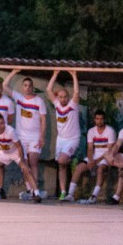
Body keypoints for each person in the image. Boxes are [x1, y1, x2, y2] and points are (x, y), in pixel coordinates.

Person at [0, 113, 41, 202]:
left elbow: (19, 146)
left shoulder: (11, 131)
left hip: (16, 152)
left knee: (26, 170)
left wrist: (22, 161)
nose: (0, 126)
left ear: (4, 123)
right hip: (4, 152)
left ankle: (36, 193)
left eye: (1, 123)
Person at [4, 71, 47, 198]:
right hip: (21, 137)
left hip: (34, 137)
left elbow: (43, 119)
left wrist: (42, 136)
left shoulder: (39, 101)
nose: (28, 88)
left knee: (33, 162)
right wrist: (14, 71)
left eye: (30, 85)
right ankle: (29, 190)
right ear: (22, 87)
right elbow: (5, 85)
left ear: (33, 87)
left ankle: (35, 191)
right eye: (25, 85)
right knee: (24, 164)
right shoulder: (19, 98)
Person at [45, 70, 81, 200]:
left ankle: (72, 159)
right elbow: (48, 90)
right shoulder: (57, 105)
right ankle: (63, 192)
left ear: (68, 97)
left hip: (72, 139)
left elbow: (76, 92)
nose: (63, 99)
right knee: (61, 165)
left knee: (62, 160)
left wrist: (74, 75)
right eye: (60, 97)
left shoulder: (73, 105)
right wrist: (55, 74)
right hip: (61, 140)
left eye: (65, 97)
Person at [68, 110, 117, 203]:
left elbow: (109, 151)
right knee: (79, 168)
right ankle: (70, 194)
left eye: (101, 119)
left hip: (105, 157)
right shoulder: (91, 131)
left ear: (104, 120)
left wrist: (96, 161)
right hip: (94, 156)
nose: (99, 121)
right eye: (97, 119)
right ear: (94, 120)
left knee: (100, 169)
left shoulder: (110, 131)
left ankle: (94, 196)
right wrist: (91, 160)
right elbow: (90, 148)